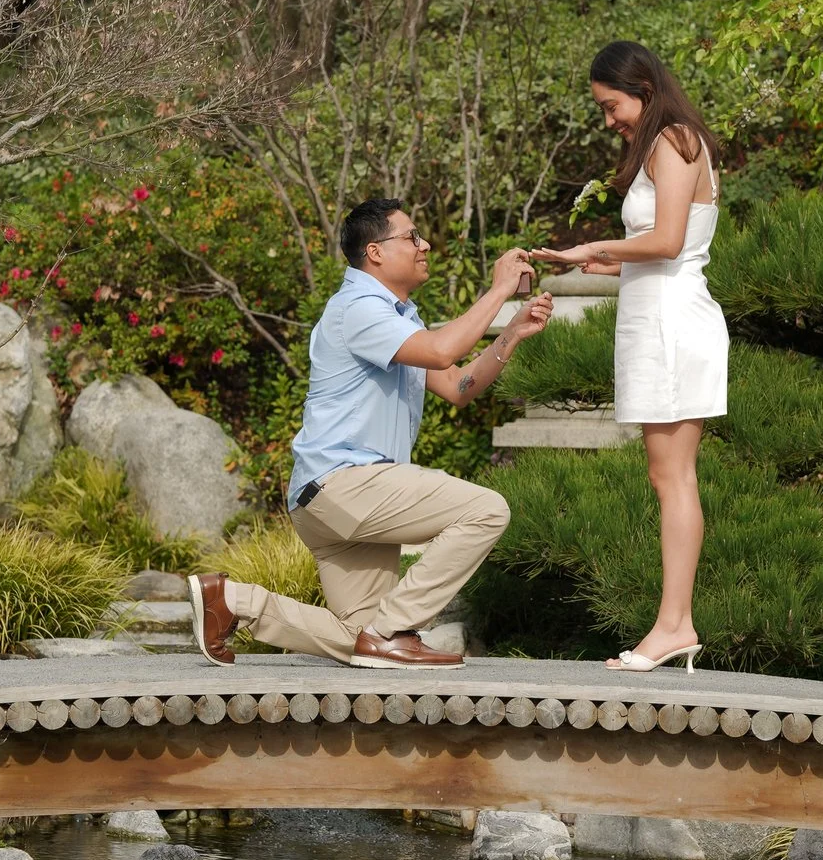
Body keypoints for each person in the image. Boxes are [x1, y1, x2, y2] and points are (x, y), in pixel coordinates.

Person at [189, 200, 555, 669]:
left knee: (355, 638)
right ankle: (393, 632)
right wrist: (500, 291)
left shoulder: (397, 317)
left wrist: (512, 336)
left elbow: (456, 386)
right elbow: (443, 351)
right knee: (486, 510)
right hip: (347, 482)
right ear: (376, 252)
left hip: (326, 495)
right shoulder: (357, 308)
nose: (424, 245)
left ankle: (232, 602)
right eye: (412, 236)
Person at [535, 41, 728, 673]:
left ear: (643, 89)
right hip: (656, 315)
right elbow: (655, 244)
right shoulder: (659, 144)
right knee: (664, 476)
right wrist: (598, 258)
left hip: (673, 320)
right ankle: (676, 622)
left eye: (611, 105)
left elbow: (669, 241)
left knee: (674, 478)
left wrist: (596, 242)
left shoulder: (675, 139)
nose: (609, 118)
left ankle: (674, 624)